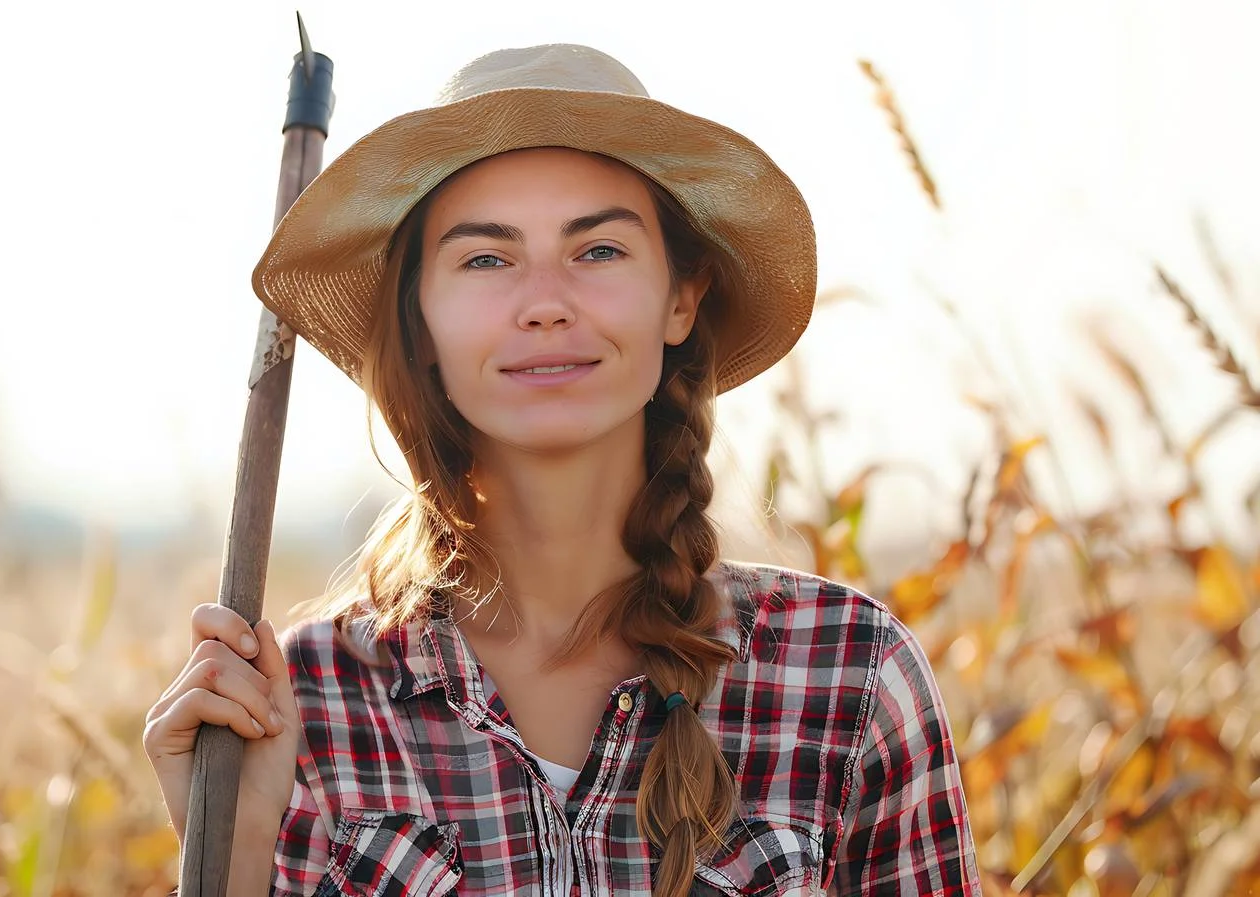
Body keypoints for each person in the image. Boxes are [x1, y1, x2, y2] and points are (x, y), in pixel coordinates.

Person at [142, 43, 982, 896]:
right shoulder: (303, 703)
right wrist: (235, 859)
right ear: (420, 320)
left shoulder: (847, 674)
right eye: (485, 258)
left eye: (599, 250)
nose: (545, 303)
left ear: (681, 298)